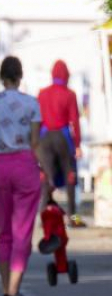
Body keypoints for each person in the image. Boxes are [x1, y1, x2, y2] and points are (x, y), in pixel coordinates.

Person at [0, 56, 42, 296]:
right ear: (20, 75)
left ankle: (6, 286)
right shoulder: (31, 104)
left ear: (1, 76)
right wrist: (45, 170)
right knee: (22, 231)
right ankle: (14, 288)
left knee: (3, 232)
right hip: (24, 165)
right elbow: (36, 142)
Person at [37, 60, 85, 227]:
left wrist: (34, 145)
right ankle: (73, 219)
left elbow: (36, 120)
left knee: (45, 180)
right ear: (67, 75)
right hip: (63, 138)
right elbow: (75, 121)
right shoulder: (69, 94)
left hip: (45, 139)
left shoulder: (42, 94)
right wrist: (77, 144)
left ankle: (44, 218)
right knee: (70, 178)